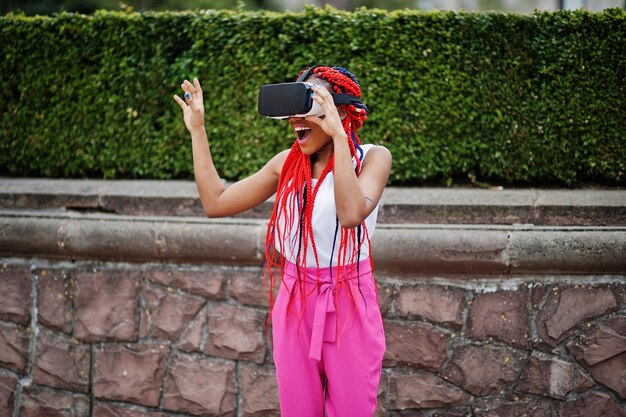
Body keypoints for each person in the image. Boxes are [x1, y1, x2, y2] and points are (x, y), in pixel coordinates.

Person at [173, 66, 392, 417]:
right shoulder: (286, 164)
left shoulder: (372, 158)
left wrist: (338, 137)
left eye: (308, 108)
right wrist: (198, 131)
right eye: (292, 111)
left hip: (349, 300)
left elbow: (351, 215)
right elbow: (215, 202)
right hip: (295, 299)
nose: (295, 120)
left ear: (339, 111)